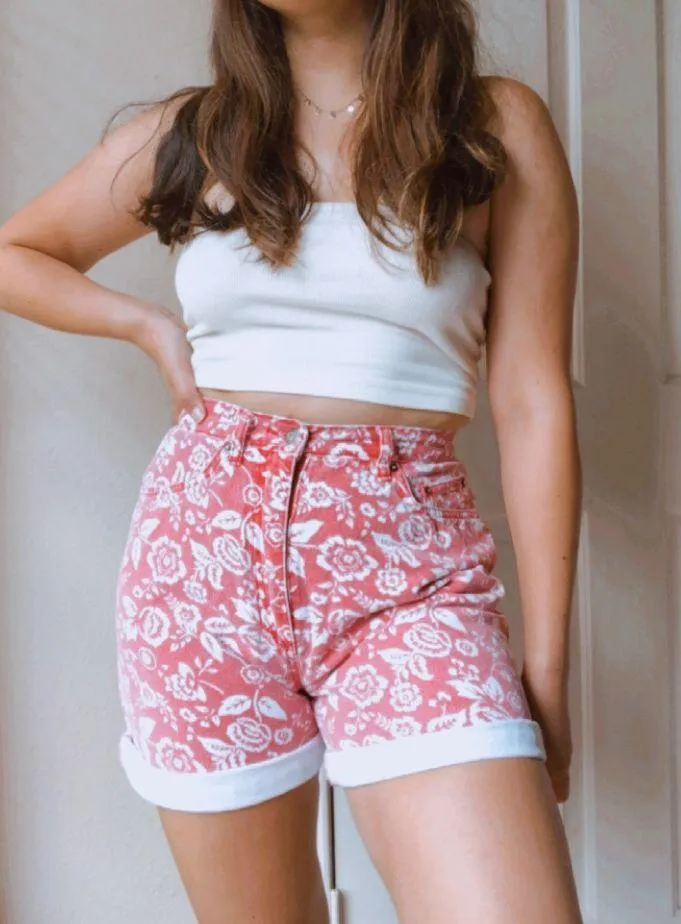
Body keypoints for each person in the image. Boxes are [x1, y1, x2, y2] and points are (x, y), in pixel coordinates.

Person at [0, 0, 583, 921]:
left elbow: (532, 401)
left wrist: (545, 670)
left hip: (407, 572)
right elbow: (15, 251)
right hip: (200, 571)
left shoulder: (490, 124)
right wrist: (147, 327)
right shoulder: (197, 131)